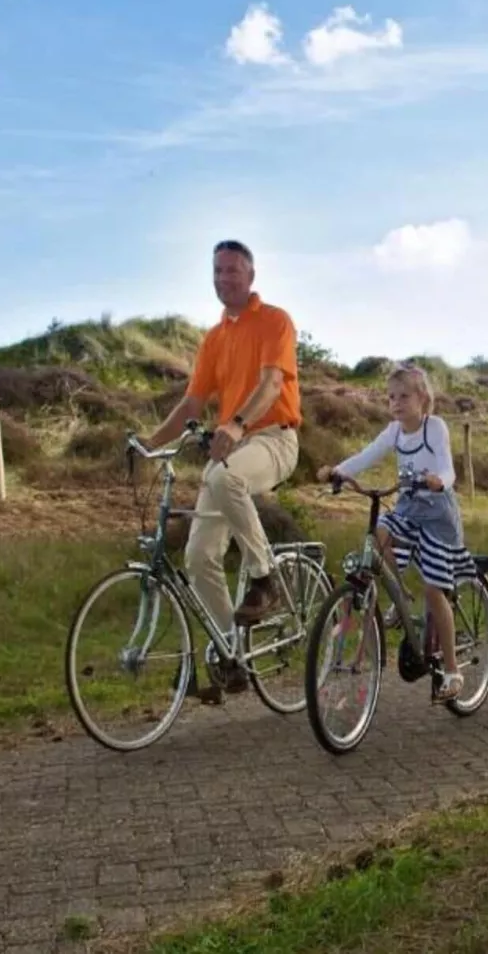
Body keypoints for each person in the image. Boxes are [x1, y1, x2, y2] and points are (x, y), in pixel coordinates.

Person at [139, 239, 301, 701]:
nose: (223, 278)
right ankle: (232, 656)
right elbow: (192, 402)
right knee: (197, 557)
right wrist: (150, 442)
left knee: (223, 475)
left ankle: (265, 577)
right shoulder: (214, 338)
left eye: (232, 270)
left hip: (273, 438)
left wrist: (236, 422)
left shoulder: (275, 321)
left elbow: (272, 384)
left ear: (250, 276)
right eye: (217, 271)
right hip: (229, 448)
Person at [318, 363, 471, 702]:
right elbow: (367, 455)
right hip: (407, 508)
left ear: (423, 399)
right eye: (391, 397)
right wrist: (338, 472)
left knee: (435, 591)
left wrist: (439, 480)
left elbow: (447, 468)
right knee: (378, 540)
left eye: (404, 396)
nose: (396, 403)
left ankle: (452, 670)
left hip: (437, 515)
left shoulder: (436, 427)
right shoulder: (394, 431)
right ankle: (401, 601)